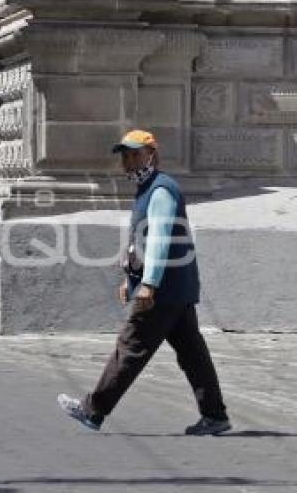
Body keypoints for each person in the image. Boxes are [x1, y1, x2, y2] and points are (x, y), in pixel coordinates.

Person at [58, 130, 230, 436]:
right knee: (192, 353)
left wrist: (148, 284)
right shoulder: (148, 188)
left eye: (135, 154)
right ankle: (215, 416)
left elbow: (161, 240)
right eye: (125, 155)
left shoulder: (161, 190)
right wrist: (130, 277)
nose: (128, 161)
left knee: (131, 346)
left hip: (162, 290)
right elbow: (143, 240)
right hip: (176, 287)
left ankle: (93, 410)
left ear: (151, 154)